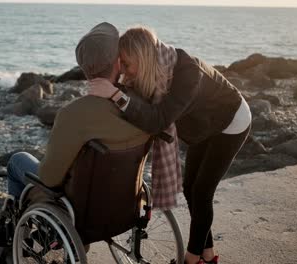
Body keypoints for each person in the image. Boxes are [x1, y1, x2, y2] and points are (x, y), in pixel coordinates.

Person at [88, 26, 252, 264]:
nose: (124, 72)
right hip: (204, 123)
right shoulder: (156, 69)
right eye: (120, 64)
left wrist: (115, 95)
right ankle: (207, 255)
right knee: (190, 187)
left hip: (231, 120)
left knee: (202, 192)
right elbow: (138, 102)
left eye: (127, 65)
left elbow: (158, 120)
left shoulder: (188, 74)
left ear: (143, 59)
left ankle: (191, 259)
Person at [6, 22, 151, 201]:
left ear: (84, 69)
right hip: (125, 201)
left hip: (83, 208)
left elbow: (49, 178)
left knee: (17, 160)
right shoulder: (142, 106)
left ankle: (14, 223)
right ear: (119, 62)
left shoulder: (72, 113)